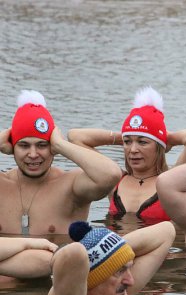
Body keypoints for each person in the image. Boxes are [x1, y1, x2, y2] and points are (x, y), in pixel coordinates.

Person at [68, 85, 186, 225]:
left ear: (159, 147)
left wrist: (163, 138)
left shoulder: (173, 180)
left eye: (143, 142)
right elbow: (75, 137)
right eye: (127, 142)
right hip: (117, 247)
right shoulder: (114, 179)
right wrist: (124, 136)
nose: (133, 150)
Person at [0, 90, 122, 236]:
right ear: (12, 147)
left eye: (42, 145)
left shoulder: (70, 186)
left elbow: (111, 174)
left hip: (57, 258)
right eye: (24, 146)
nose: (33, 154)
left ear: (52, 147)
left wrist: (61, 145)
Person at [44, 220, 175, 295]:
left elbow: (166, 232)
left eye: (128, 268)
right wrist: (104, 254)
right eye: (120, 271)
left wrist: (114, 249)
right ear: (93, 278)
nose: (130, 281)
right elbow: (73, 254)